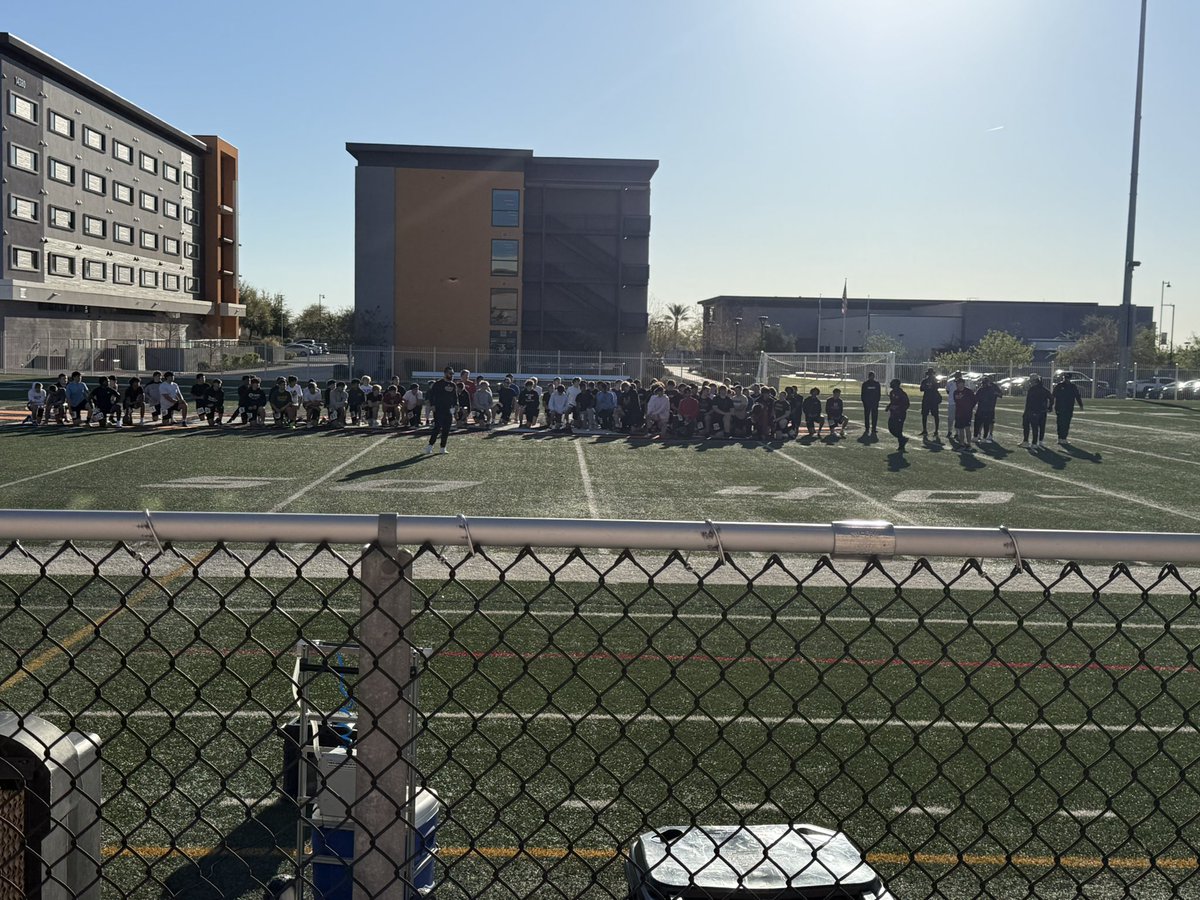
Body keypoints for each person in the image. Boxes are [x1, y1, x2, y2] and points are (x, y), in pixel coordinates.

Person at [425, 366, 458, 455]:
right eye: (450, 373)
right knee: (437, 427)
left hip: (448, 409)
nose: (452, 375)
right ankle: (429, 446)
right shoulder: (438, 383)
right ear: (445, 373)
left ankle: (442, 447)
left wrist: (455, 406)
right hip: (439, 409)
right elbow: (432, 395)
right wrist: (432, 405)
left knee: (446, 429)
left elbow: (455, 397)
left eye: (453, 374)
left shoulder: (453, 385)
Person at [1020, 374, 1053, 449]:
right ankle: (1039, 442)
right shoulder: (1044, 389)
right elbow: (1051, 398)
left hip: (1031, 410)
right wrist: (1050, 407)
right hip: (1042, 411)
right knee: (1040, 427)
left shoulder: (1032, 389)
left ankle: (1029, 442)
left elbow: (1029, 400)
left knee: (1030, 426)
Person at [1051, 372, 1084, 445]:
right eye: (1065, 378)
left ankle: (1064, 437)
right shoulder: (1059, 386)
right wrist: (1051, 405)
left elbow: (1077, 396)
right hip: (1060, 407)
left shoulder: (1073, 386)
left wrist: (1080, 404)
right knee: (1060, 422)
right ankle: (1060, 438)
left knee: (1066, 422)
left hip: (1069, 407)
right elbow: (1053, 395)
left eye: (1068, 378)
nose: (1066, 379)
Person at [973, 376, 1002, 444]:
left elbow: (976, 399)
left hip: (984, 409)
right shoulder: (992, 390)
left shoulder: (983, 390)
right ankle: (983, 437)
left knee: (980, 423)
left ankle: (977, 436)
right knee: (985, 424)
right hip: (988, 409)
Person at [951, 377, 977, 449]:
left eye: (959, 383)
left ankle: (969, 443)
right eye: (957, 383)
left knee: (967, 428)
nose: (958, 385)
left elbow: (974, 401)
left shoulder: (968, 392)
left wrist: (969, 408)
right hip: (959, 413)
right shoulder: (955, 392)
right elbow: (956, 401)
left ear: (963, 384)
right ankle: (962, 443)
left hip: (967, 413)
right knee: (960, 428)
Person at [885, 378, 909, 451]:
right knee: (891, 428)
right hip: (893, 414)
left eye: (892, 383)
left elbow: (906, 404)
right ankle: (902, 439)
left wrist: (898, 408)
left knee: (898, 430)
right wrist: (889, 407)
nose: (890, 384)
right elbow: (892, 402)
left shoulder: (902, 394)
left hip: (900, 414)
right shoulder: (892, 392)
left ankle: (901, 445)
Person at [919, 369, 942, 438]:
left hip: (933, 399)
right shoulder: (925, 381)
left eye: (931, 374)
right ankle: (925, 429)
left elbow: (937, 387)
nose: (930, 375)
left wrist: (929, 386)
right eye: (929, 374)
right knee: (924, 414)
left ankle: (936, 430)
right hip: (927, 399)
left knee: (935, 415)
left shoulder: (935, 381)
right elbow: (921, 389)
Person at [944, 372, 959, 439]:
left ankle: (957, 432)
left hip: (960, 403)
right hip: (952, 402)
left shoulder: (964, 382)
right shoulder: (950, 382)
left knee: (958, 418)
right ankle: (949, 431)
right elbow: (947, 391)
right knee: (950, 418)